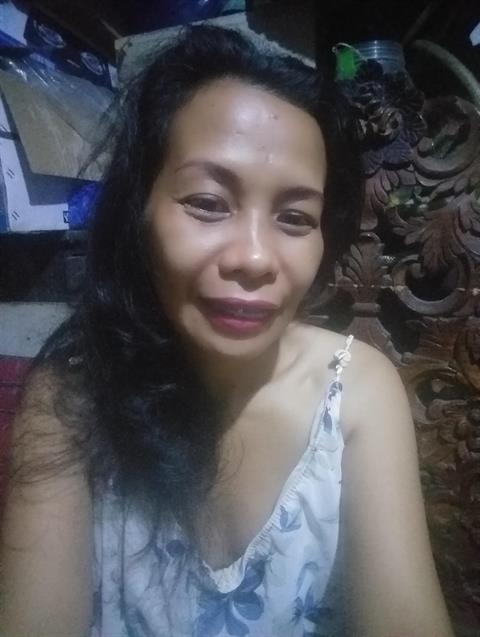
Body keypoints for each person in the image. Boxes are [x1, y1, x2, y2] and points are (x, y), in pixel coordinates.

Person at [0, 24, 455, 637]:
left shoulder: (355, 392)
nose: (255, 258)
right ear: (138, 212)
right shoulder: (69, 399)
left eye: (295, 217)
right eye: (208, 204)